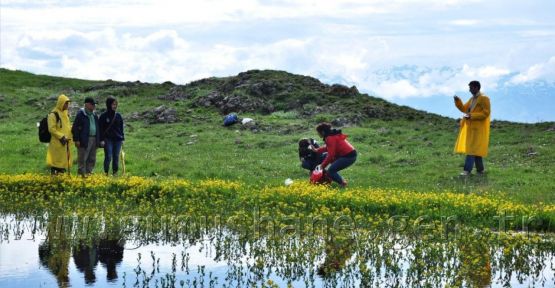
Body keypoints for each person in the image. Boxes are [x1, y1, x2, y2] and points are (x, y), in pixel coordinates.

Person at [454, 80, 491, 176]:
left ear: (476, 87)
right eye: (469, 88)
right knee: (476, 150)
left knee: (471, 150)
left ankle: (467, 171)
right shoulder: (472, 99)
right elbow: (464, 109)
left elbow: (486, 113)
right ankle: (480, 170)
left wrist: (471, 116)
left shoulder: (484, 98)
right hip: (471, 129)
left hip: (478, 129)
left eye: (471, 88)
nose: (469, 90)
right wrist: (458, 101)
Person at [312, 123, 357, 187]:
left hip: (349, 156)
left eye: (318, 132)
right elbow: (329, 148)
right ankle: (325, 175)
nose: (318, 134)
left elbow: (331, 155)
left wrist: (322, 165)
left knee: (330, 172)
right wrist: (317, 150)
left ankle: (343, 183)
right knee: (325, 155)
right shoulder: (330, 135)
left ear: (322, 132)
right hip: (346, 155)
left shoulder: (330, 138)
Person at [72, 97, 100, 176]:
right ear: (87, 104)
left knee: (92, 158)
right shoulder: (80, 114)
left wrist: (98, 140)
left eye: (94, 104)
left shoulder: (94, 115)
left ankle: (89, 174)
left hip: (94, 139)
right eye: (92, 104)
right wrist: (76, 140)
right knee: (82, 159)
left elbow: (97, 127)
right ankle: (81, 176)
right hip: (84, 139)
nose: (94, 106)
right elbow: (75, 128)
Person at [46, 94, 73, 175]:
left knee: (63, 163)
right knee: (56, 163)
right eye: (66, 103)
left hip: (65, 143)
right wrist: (61, 136)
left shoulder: (65, 114)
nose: (67, 105)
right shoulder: (53, 114)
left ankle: (61, 179)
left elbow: (66, 127)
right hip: (57, 144)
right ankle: (55, 180)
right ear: (61, 103)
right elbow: (51, 129)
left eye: (68, 103)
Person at [99, 96, 125, 175]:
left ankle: (115, 173)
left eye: (116, 104)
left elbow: (121, 128)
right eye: (113, 104)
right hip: (108, 140)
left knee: (116, 157)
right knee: (108, 156)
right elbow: (100, 129)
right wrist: (101, 140)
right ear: (108, 104)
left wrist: (122, 138)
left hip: (118, 140)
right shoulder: (103, 116)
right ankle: (106, 173)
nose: (115, 106)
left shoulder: (118, 116)